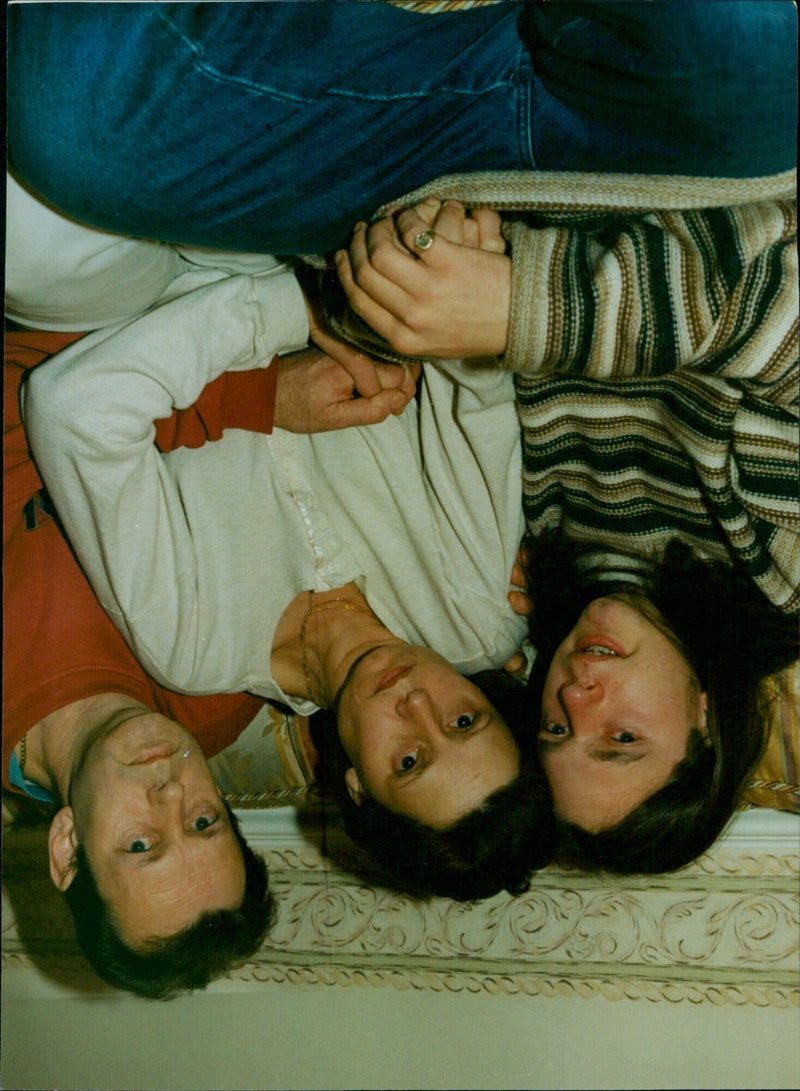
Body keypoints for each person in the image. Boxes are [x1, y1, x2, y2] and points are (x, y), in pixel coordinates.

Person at [12, 188, 555, 902]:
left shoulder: (196, 647)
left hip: (130, 304)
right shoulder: (478, 611)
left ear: (358, 788)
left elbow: (75, 410)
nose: (416, 702)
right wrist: (440, 253)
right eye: (464, 718)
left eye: (411, 757)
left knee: (31, 241)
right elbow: (472, 370)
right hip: (316, 226)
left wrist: (300, 310)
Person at [329, 174, 799, 871]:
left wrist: (420, 271)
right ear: (704, 720)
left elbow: (410, 364)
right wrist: (521, 306)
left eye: (555, 727)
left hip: (474, 163)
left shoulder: (539, 556)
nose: (577, 694)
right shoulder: (780, 568)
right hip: (685, 154)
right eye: (620, 737)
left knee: (128, 166)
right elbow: (779, 285)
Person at [6, 2, 796, 255]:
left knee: (80, 118)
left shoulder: (480, 612)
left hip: (530, 135)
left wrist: (512, 314)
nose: (585, 659)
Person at [4, 333, 279, 999]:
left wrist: (253, 399)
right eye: (205, 821)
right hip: (190, 322)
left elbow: (21, 386)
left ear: (66, 846)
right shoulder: (218, 693)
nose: (171, 790)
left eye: (141, 843)